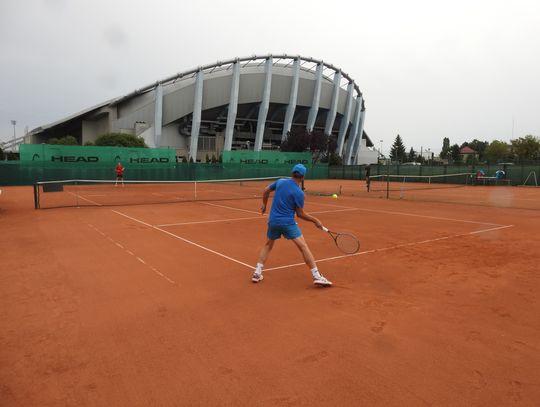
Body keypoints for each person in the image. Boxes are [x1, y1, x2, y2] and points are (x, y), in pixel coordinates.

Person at [251, 164, 332, 287]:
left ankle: (257, 273)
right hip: (287, 223)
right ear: (303, 177)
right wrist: (315, 220)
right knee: (303, 247)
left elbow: (266, 190)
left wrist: (264, 205)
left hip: (273, 221)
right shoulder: (299, 193)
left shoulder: (280, 182)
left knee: (268, 245)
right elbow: (300, 214)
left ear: (292, 173)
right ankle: (317, 276)